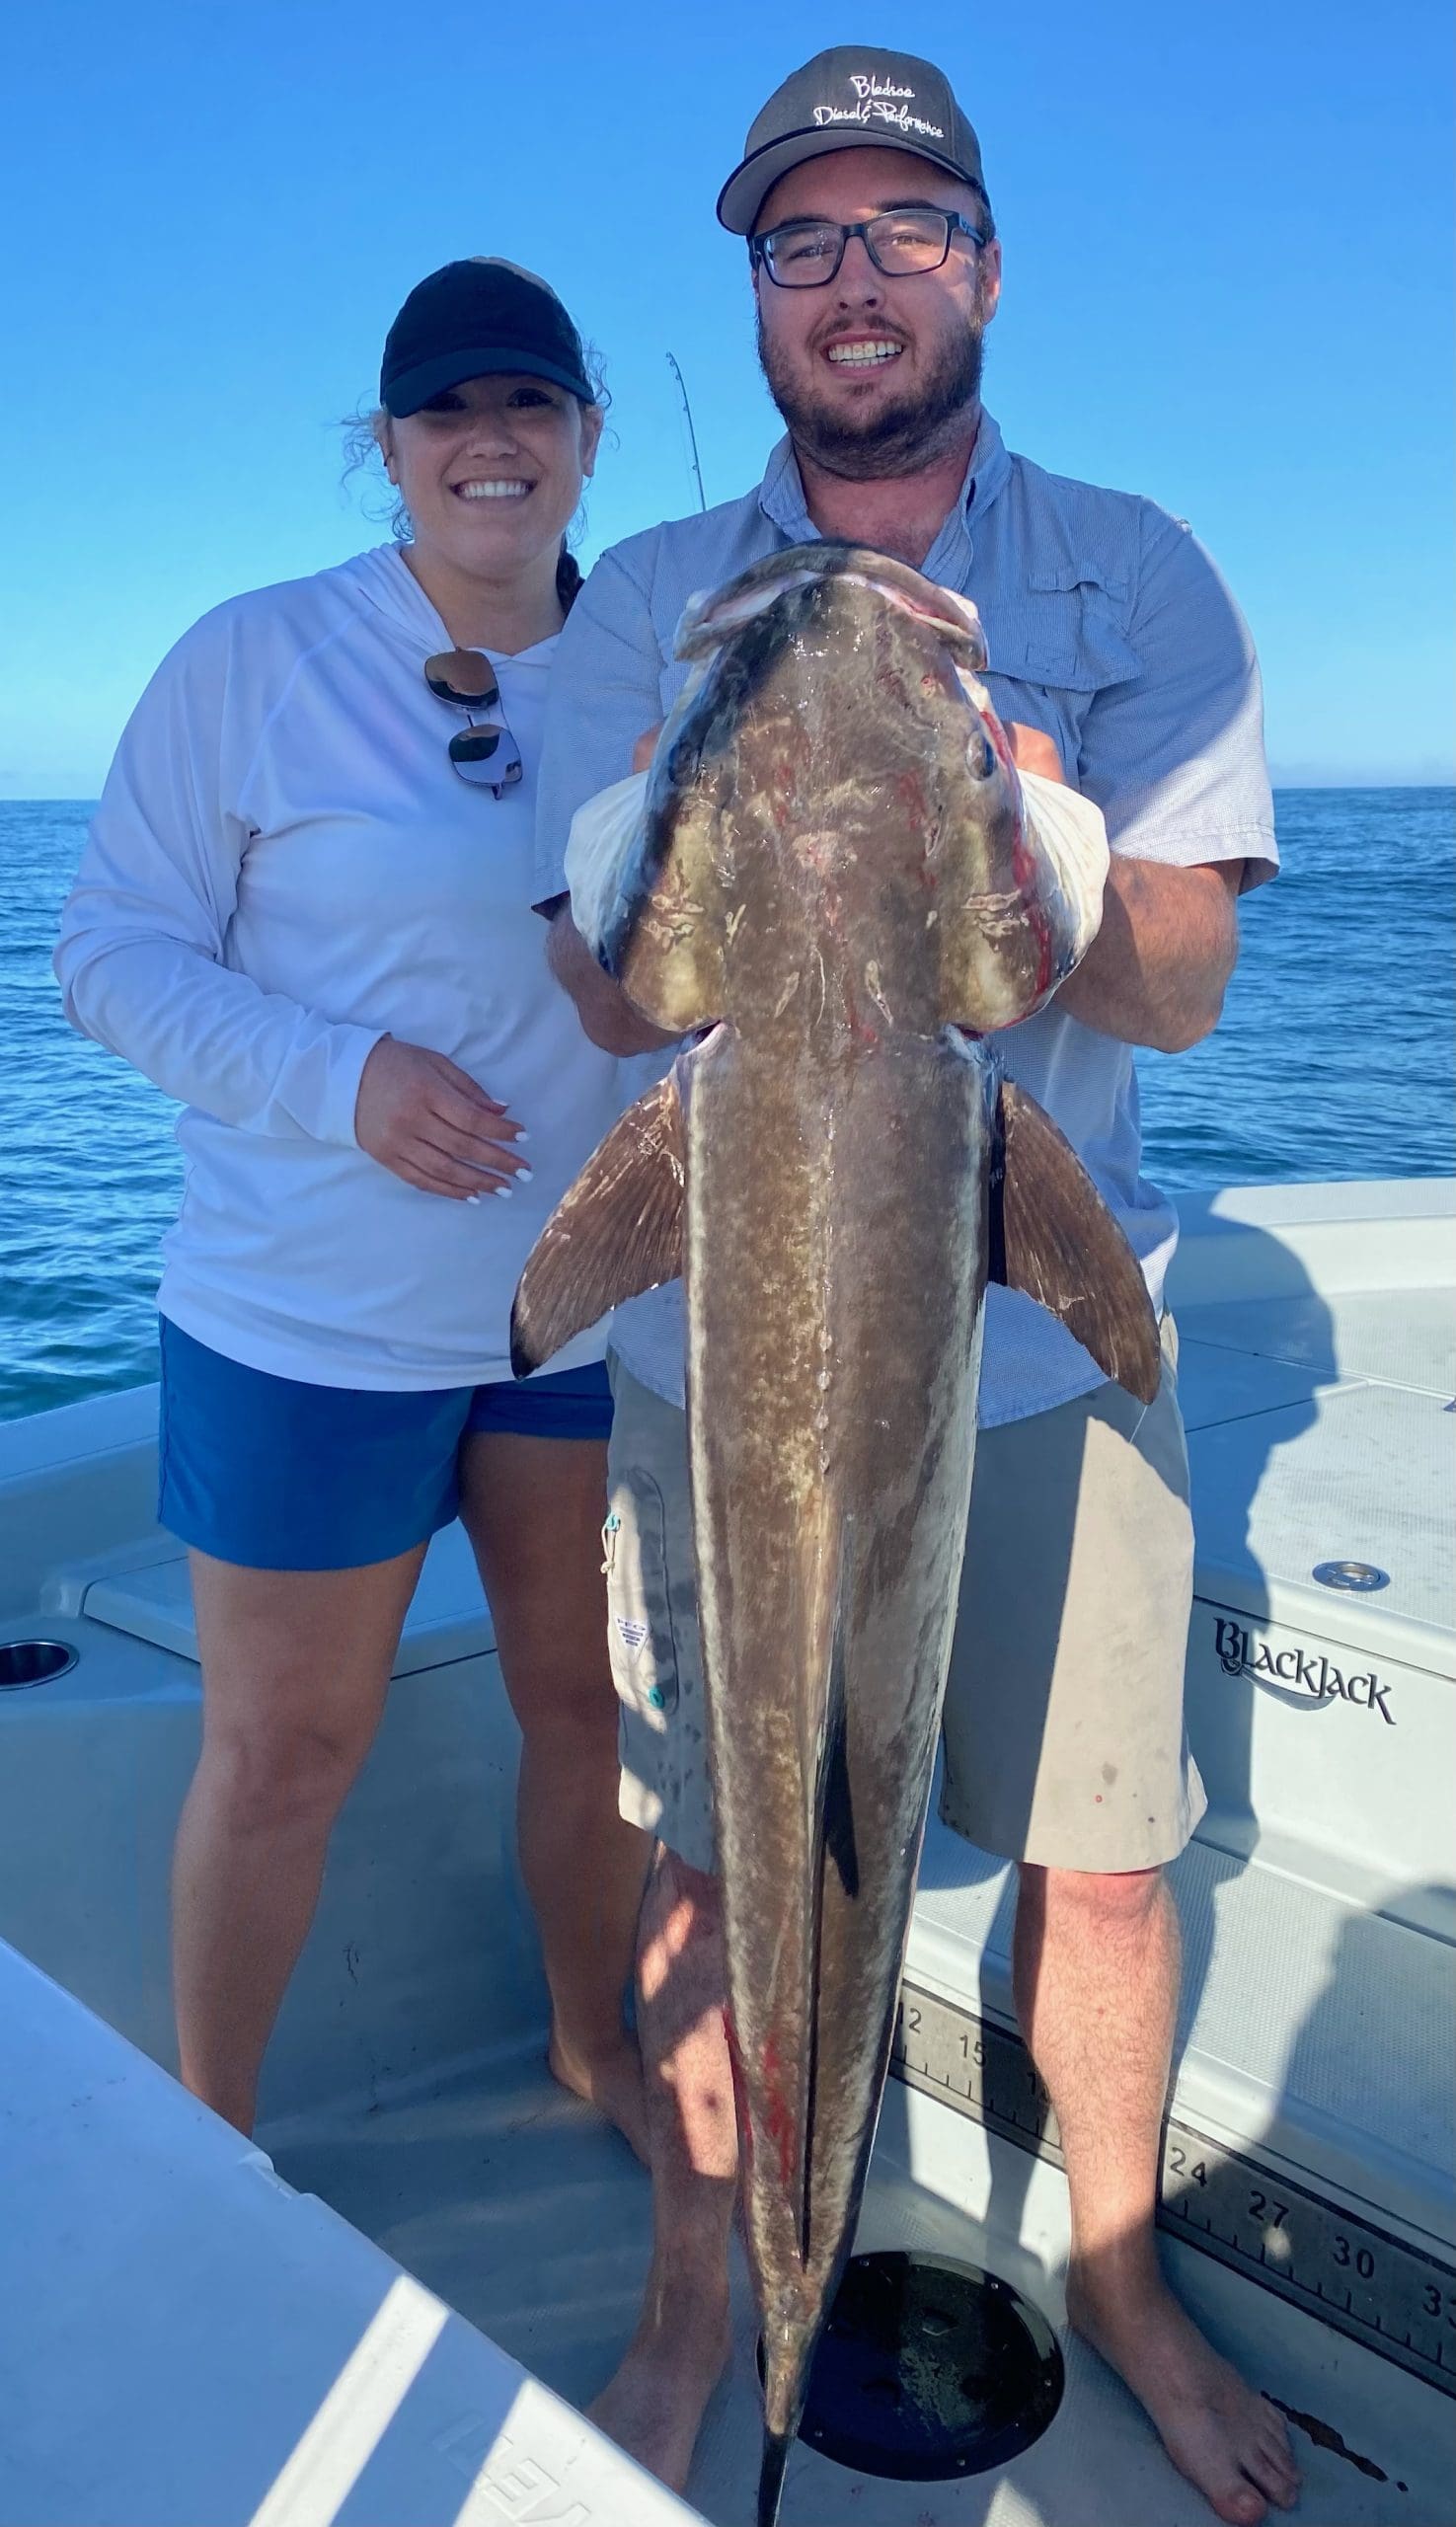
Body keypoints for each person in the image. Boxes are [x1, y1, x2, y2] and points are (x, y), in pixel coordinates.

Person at [535, 48, 1299, 2526]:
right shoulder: (656, 590)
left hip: (1052, 1342)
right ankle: (709, 2287)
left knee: (1101, 1843)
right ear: (756, 295)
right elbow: (607, 1002)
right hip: (710, 1348)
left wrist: (1018, 802)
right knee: (720, 1834)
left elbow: (1172, 988)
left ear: (984, 262)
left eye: (901, 230)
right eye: (801, 242)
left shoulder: (1141, 569)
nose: (852, 280)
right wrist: (697, 783)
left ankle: (1124, 2274)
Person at [55, 259, 649, 2154]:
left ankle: (595, 2049)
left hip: (592, 1314)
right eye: (446, 410)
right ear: (384, 447)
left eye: (530, 405)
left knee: (593, 1717)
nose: (492, 440)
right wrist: (344, 1080)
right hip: (303, 1322)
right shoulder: (253, 657)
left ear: (586, 439)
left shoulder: (665, 662)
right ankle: (212, 2140)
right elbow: (108, 956)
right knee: (285, 1755)